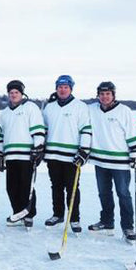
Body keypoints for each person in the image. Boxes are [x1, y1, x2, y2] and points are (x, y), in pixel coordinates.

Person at [87, 81, 136, 242]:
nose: (104, 97)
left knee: (123, 194)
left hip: (120, 162)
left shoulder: (124, 111)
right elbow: (74, 106)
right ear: (98, 95)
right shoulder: (91, 109)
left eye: (108, 94)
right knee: (104, 193)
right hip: (100, 160)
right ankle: (107, 222)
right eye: (102, 94)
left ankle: (127, 226)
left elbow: (134, 133)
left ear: (113, 95)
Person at [42, 75, 91, 234]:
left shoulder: (80, 106)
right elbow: (44, 129)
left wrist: (84, 150)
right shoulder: (49, 107)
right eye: (60, 87)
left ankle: (74, 218)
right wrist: (41, 148)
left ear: (71, 89)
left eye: (65, 87)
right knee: (56, 186)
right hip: (53, 155)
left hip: (72, 156)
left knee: (72, 188)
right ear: (56, 88)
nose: (62, 90)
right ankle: (58, 214)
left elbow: (86, 129)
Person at [0, 80, 45, 229]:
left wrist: (38, 147)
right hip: (10, 156)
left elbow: (38, 130)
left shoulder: (30, 108)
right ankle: (17, 213)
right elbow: (0, 136)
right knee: (11, 187)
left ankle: (28, 215)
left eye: (16, 92)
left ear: (22, 93)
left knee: (26, 187)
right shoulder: (4, 113)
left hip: (27, 155)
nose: (14, 95)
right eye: (11, 93)